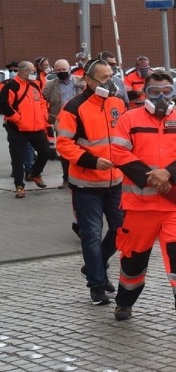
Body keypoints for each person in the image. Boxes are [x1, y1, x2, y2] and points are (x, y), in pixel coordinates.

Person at [110, 69, 176, 331]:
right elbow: (118, 151)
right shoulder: (129, 119)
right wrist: (151, 177)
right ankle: (124, 302)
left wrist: (168, 173)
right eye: (155, 92)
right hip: (139, 207)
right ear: (145, 92)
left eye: (167, 92)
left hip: (173, 206)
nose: (162, 97)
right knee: (134, 260)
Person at [56, 59, 125, 305]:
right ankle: (96, 285)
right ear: (88, 80)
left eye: (111, 75)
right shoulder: (73, 107)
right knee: (92, 235)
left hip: (116, 182)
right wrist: (91, 161)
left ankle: (95, 266)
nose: (111, 81)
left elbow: (125, 138)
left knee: (122, 230)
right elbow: (64, 144)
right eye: (104, 78)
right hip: (86, 185)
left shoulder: (118, 103)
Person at [0, 60, 51, 198]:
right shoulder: (11, 86)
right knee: (17, 158)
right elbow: (4, 106)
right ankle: (19, 186)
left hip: (37, 128)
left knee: (45, 152)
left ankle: (34, 174)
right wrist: (19, 120)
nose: (34, 73)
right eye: (32, 71)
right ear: (24, 71)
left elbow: (41, 102)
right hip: (18, 129)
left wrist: (43, 116)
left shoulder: (34, 85)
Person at [44, 59, 77, 188]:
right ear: (54, 71)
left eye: (64, 69)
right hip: (60, 122)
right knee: (64, 151)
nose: (62, 72)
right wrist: (48, 117)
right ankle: (66, 179)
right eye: (58, 70)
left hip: (80, 120)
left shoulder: (81, 81)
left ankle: (78, 178)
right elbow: (41, 101)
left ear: (69, 68)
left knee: (81, 148)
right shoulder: (50, 85)